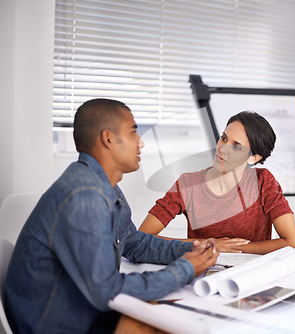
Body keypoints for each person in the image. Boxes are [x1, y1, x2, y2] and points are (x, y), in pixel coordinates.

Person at [5, 99, 219, 334]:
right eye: (133, 132)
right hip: (54, 324)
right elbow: (106, 291)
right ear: (108, 138)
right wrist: (185, 269)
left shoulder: (102, 185)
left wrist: (187, 251)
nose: (141, 143)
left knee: (173, 314)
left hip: (79, 306)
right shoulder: (85, 197)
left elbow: (134, 243)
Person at [139, 111, 295, 255]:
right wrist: (209, 245)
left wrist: (232, 247)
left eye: (236, 146)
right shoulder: (188, 184)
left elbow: (293, 242)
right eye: (223, 138)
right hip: (204, 271)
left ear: (253, 158)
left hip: (250, 273)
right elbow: (142, 237)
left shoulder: (263, 182)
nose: (222, 148)